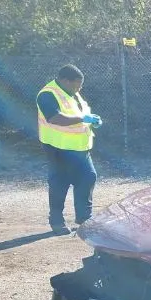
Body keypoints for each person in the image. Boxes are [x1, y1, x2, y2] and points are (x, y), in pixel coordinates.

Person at [36, 64, 103, 235]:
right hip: (58, 148)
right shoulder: (47, 94)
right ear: (65, 80)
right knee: (60, 183)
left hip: (79, 148)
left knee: (88, 178)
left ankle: (84, 219)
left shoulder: (73, 93)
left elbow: (79, 114)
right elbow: (55, 118)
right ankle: (57, 221)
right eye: (76, 85)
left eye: (80, 85)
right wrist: (83, 118)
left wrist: (92, 120)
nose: (79, 88)